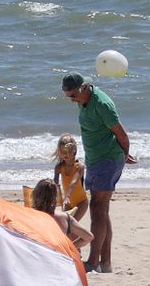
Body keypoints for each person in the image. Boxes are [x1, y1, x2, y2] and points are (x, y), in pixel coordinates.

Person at [63, 72, 136, 275]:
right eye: (69, 96)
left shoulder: (102, 105)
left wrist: (124, 154)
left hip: (108, 159)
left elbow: (121, 133)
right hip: (95, 159)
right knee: (101, 210)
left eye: (74, 95)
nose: (72, 100)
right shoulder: (82, 99)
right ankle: (106, 263)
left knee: (97, 208)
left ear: (85, 87)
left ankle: (94, 262)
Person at [30, 178, 93, 252]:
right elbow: (88, 237)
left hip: (37, 258)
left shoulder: (28, 215)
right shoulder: (65, 217)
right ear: (55, 197)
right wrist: (68, 248)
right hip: (59, 259)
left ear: (35, 195)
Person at [53, 134, 89, 222]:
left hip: (81, 202)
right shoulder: (59, 167)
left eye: (68, 151)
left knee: (71, 228)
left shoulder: (79, 166)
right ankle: (82, 236)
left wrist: (67, 196)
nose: (66, 154)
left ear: (74, 150)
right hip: (68, 204)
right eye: (63, 151)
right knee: (65, 227)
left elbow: (74, 182)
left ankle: (84, 236)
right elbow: (55, 184)